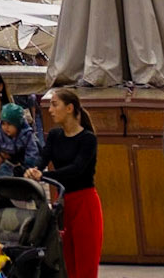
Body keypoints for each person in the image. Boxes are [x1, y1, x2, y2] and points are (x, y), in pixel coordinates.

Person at [26, 88, 99, 278]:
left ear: (69, 108)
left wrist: (45, 176)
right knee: (66, 263)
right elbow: (43, 159)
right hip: (62, 204)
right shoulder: (55, 135)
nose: (50, 109)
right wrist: (34, 169)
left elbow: (76, 169)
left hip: (85, 204)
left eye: (54, 104)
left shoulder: (88, 139)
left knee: (86, 265)